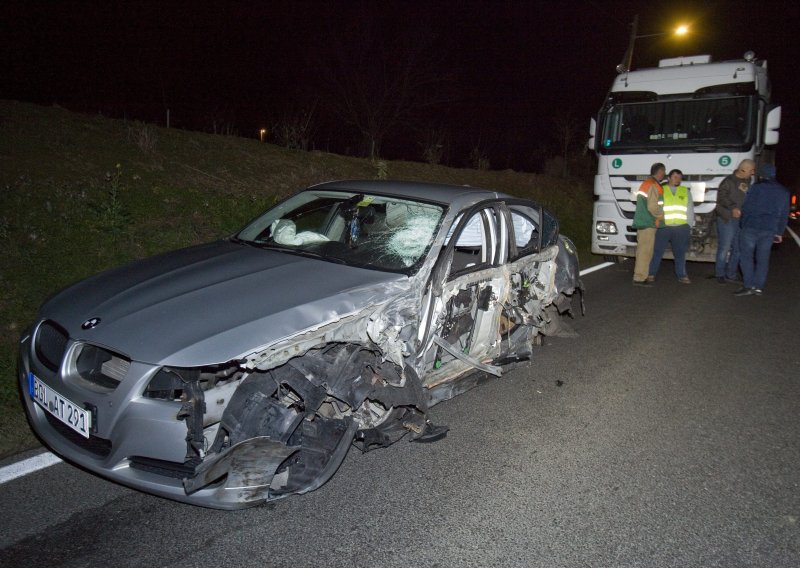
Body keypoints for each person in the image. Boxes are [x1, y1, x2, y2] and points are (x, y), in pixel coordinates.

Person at [733, 163, 790, 296]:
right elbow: (783, 214)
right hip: (769, 229)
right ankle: (758, 287)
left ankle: (748, 285)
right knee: (762, 258)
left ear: (761, 175)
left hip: (751, 226)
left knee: (746, 257)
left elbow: (746, 207)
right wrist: (779, 232)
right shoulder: (783, 191)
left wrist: (742, 224)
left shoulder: (755, 188)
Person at [648, 168, 694, 283]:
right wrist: (656, 223)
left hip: (681, 227)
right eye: (674, 176)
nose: (677, 179)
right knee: (657, 252)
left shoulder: (685, 191)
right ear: (668, 178)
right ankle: (651, 273)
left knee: (680, 254)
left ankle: (682, 275)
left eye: (679, 177)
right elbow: (655, 208)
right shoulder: (661, 190)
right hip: (664, 227)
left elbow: (690, 209)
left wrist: (689, 225)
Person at [713, 159, 755, 283]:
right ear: (743, 170)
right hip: (727, 219)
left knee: (738, 248)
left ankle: (731, 274)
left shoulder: (748, 181)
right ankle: (719, 273)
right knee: (724, 248)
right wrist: (733, 208)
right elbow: (721, 198)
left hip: (742, 220)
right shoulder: (728, 181)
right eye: (751, 170)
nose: (753, 173)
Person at [631, 162, 665, 286]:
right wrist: (662, 216)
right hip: (648, 222)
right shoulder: (652, 185)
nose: (664, 175)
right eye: (663, 172)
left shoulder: (649, 184)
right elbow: (652, 207)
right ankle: (639, 277)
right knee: (645, 251)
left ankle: (641, 276)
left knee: (644, 251)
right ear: (660, 172)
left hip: (645, 222)